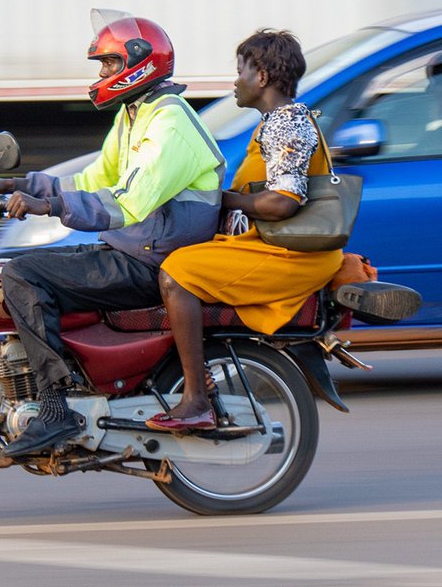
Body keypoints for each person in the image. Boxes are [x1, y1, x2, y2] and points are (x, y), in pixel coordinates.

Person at [0, 8, 225, 461]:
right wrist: (17, 185)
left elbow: (127, 201)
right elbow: (93, 179)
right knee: (5, 271)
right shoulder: (137, 114)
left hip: (152, 258)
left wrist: (49, 208)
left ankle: (55, 412)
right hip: (136, 246)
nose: (103, 73)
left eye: (109, 64)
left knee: (22, 276)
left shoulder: (169, 123)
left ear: (140, 62)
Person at [146, 28, 344, 433]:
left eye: (240, 71)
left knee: (176, 273)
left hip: (291, 257)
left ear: (263, 77)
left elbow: (282, 202)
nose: (234, 81)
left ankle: (197, 399)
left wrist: (219, 199)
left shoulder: (287, 124)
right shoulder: (276, 122)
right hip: (271, 248)